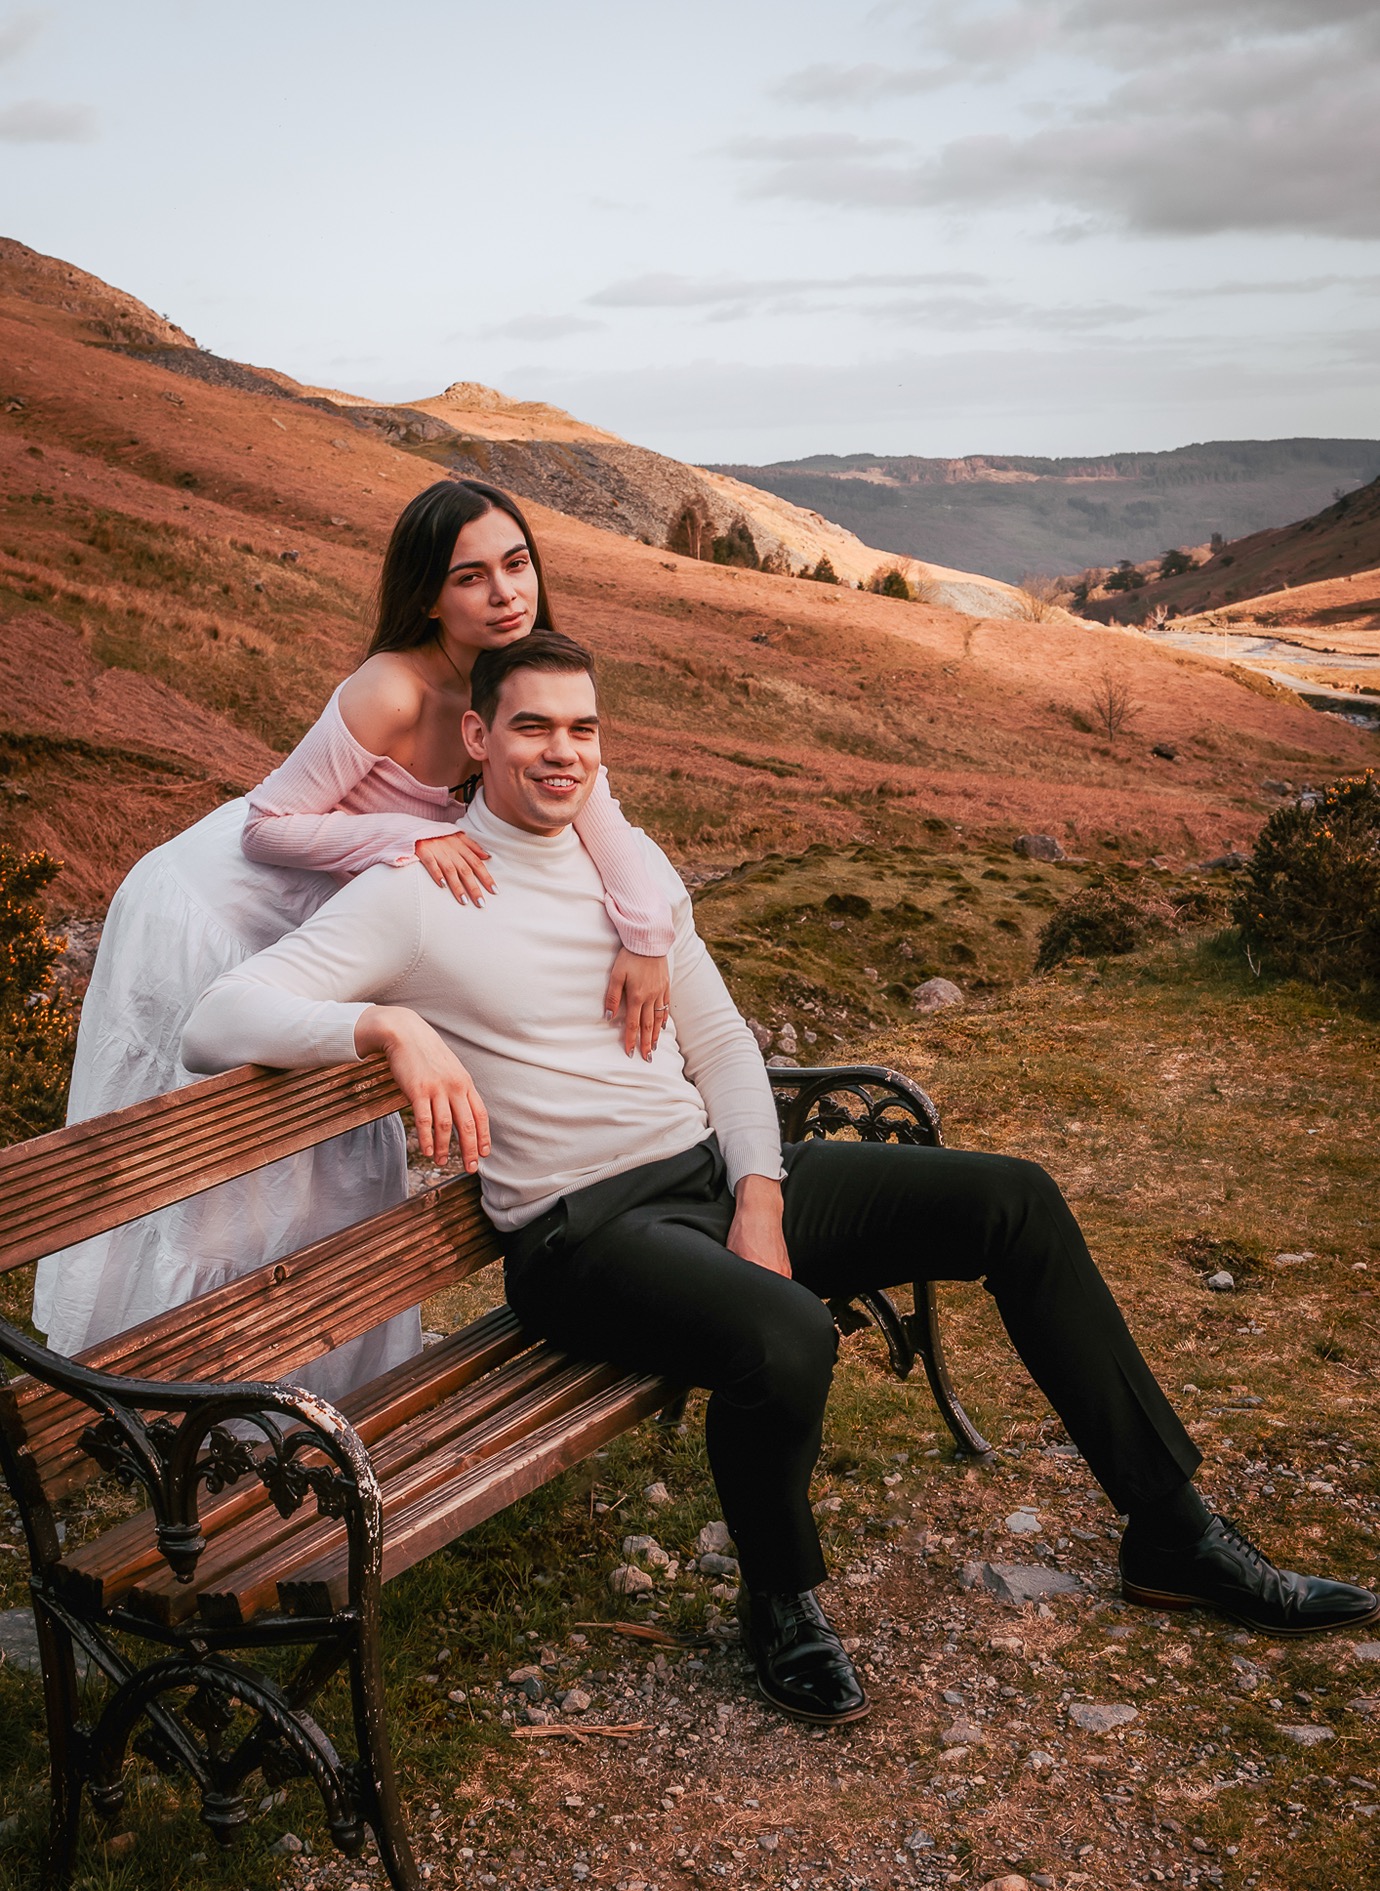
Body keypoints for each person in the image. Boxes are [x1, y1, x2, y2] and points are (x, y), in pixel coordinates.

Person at [181, 632, 1378, 1724]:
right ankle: (781, 1597)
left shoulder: (631, 881)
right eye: (534, 726)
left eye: (584, 728)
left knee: (1016, 1200)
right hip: (579, 1234)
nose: (563, 751)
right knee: (791, 1335)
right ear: (481, 737)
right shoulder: (422, 890)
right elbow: (218, 1015)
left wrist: (760, 1192)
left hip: (706, 1175)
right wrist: (387, 1028)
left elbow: (721, 1047)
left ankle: (1171, 1532)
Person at [33, 483, 673, 1406]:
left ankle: (291, 1390)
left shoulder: (522, 681)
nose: (505, 592)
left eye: (517, 563)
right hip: (221, 908)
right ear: (428, 597)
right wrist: (406, 838)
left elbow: (606, 825)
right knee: (210, 1173)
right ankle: (154, 1386)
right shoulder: (392, 686)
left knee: (317, 1175)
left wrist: (646, 938)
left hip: (325, 920)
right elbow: (269, 824)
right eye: (472, 577)